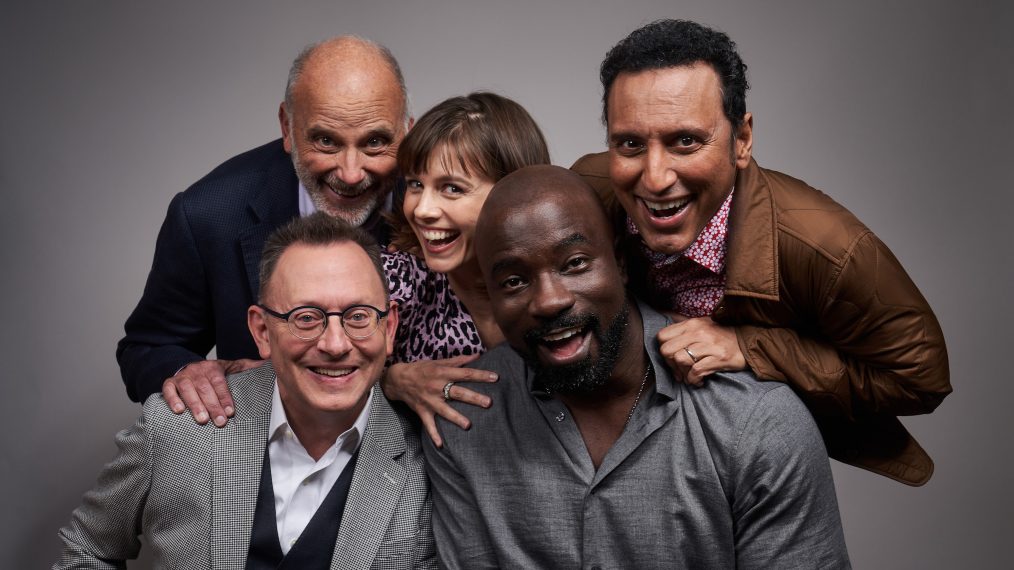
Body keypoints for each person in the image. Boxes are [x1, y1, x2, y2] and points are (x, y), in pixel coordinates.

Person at [570, 19, 950, 485]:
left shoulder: (831, 250)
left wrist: (751, 346)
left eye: (686, 141)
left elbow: (919, 381)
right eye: (629, 144)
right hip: (627, 452)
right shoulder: (584, 194)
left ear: (742, 140)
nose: (654, 177)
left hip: (754, 468)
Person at [424, 165, 849, 569]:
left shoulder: (756, 424)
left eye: (574, 264)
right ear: (490, 295)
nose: (549, 301)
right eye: (514, 281)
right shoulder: (463, 419)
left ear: (620, 263)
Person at [55, 213, 435, 569]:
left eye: (357, 317)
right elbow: (86, 550)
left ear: (388, 328)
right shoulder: (175, 429)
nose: (335, 344)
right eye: (305, 318)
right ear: (262, 332)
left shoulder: (433, 460)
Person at [117, 36, 411, 430]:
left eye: (375, 142)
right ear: (287, 127)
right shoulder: (209, 214)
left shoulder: (452, 205)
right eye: (325, 141)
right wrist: (189, 371)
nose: (351, 172)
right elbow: (146, 347)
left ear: (406, 133)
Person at [380, 91, 551, 444]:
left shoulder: (560, 287)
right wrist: (391, 380)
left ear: (512, 192)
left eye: (452, 189)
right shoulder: (392, 282)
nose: (422, 209)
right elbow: (321, 372)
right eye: (416, 184)